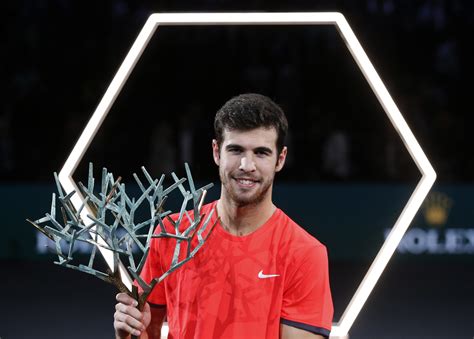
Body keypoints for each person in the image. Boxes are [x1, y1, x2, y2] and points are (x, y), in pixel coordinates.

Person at [114, 93, 333, 338]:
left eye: (261, 153)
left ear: (280, 159)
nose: (246, 165)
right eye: (236, 150)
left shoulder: (304, 253)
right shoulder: (172, 233)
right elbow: (144, 332)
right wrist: (128, 333)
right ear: (217, 152)